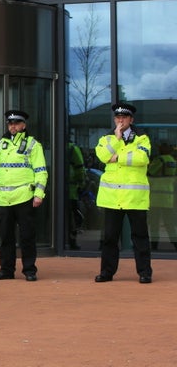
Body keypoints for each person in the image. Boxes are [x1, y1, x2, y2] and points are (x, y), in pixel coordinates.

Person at [94, 102, 153, 283]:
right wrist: (117, 139)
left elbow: (142, 158)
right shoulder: (107, 138)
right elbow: (102, 156)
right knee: (110, 238)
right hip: (112, 198)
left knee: (140, 237)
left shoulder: (142, 138)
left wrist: (117, 157)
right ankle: (107, 272)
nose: (121, 120)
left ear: (131, 119)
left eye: (124, 117)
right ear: (115, 119)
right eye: (118, 117)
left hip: (135, 197)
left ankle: (144, 273)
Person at [0, 109, 47, 281]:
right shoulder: (1, 144)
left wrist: (39, 194)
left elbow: (41, 172)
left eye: (16, 123)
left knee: (27, 236)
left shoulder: (33, 144)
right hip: (4, 199)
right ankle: (6, 270)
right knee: (6, 237)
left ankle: (29, 270)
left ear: (23, 125)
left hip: (25, 197)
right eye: (10, 123)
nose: (12, 126)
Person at [147, 143, 177, 252]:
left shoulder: (159, 160)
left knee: (154, 223)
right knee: (170, 223)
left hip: (156, 197)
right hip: (168, 197)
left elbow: (150, 172)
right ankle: (175, 243)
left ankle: (154, 245)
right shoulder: (173, 161)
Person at [67, 141, 86, 249]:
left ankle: (69, 241)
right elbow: (80, 168)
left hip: (67, 189)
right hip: (72, 189)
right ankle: (72, 241)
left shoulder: (50, 145)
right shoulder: (73, 148)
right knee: (73, 218)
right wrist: (82, 183)